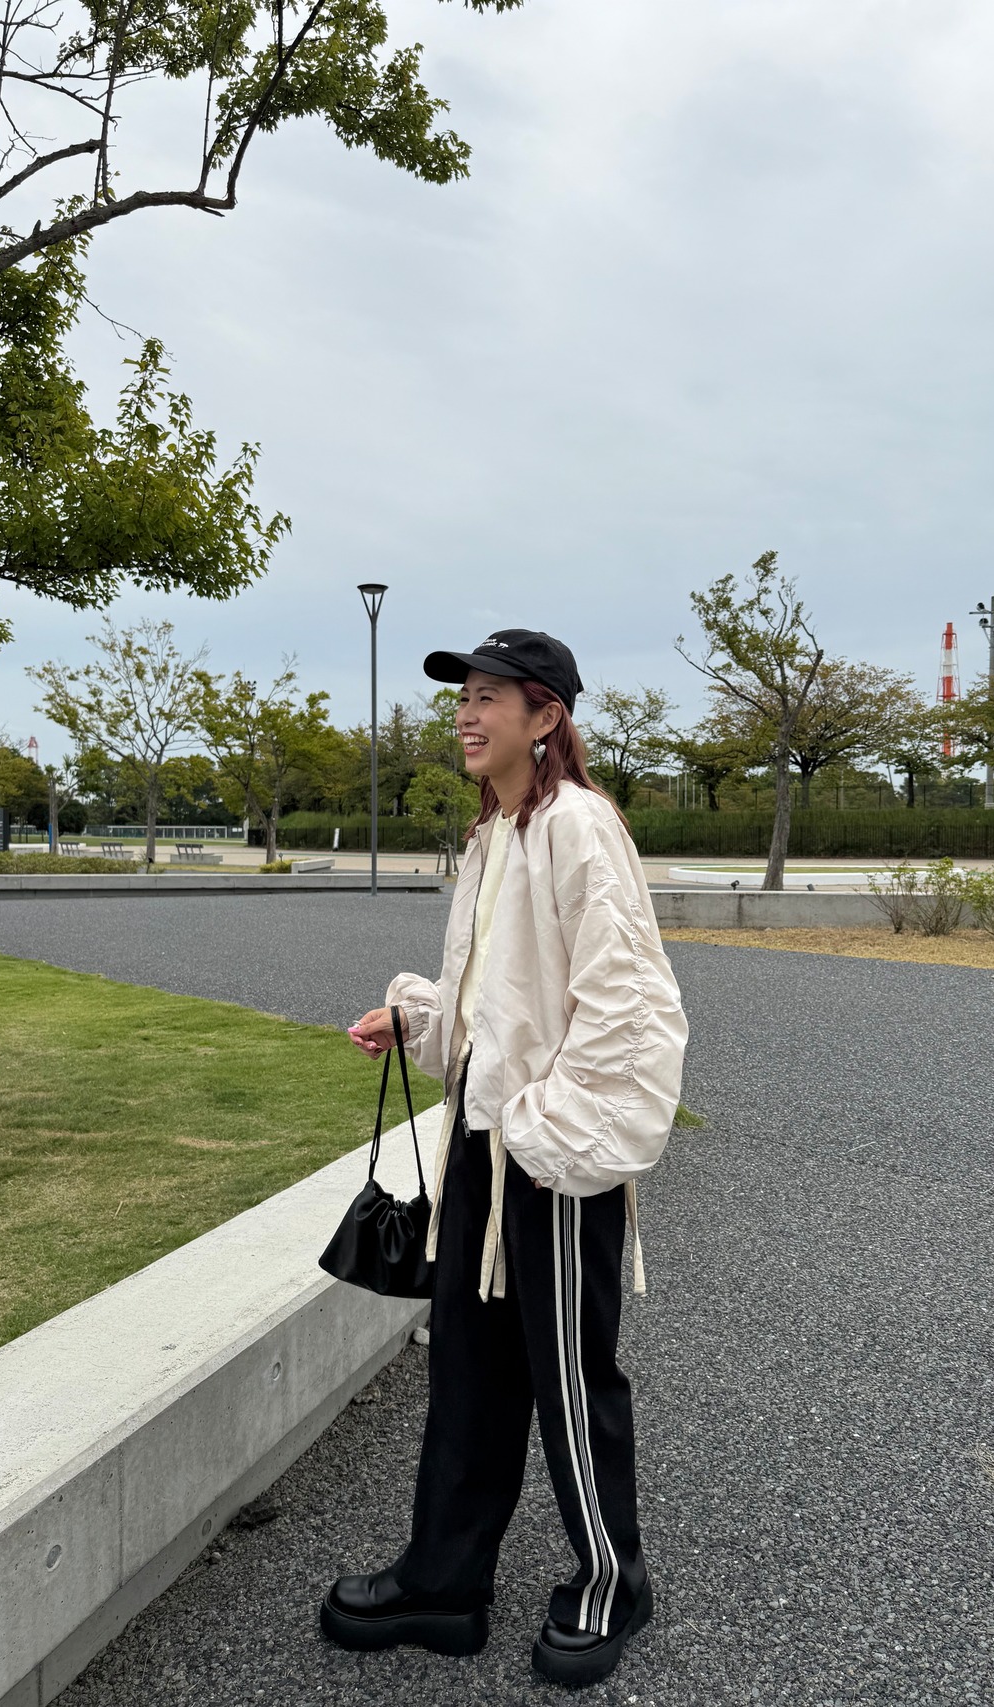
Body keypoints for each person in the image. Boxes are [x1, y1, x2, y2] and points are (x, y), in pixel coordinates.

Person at [321, 629, 688, 1688]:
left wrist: (549, 1128)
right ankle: (443, 1582)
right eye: (461, 699)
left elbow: (628, 1004)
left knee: (569, 1373)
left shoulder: (577, 825)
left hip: (553, 1154)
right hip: (487, 1139)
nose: (466, 715)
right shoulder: (493, 832)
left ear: (546, 715)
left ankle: (612, 1580)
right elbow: (497, 995)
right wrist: (416, 1017)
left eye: (489, 697)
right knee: (469, 1369)